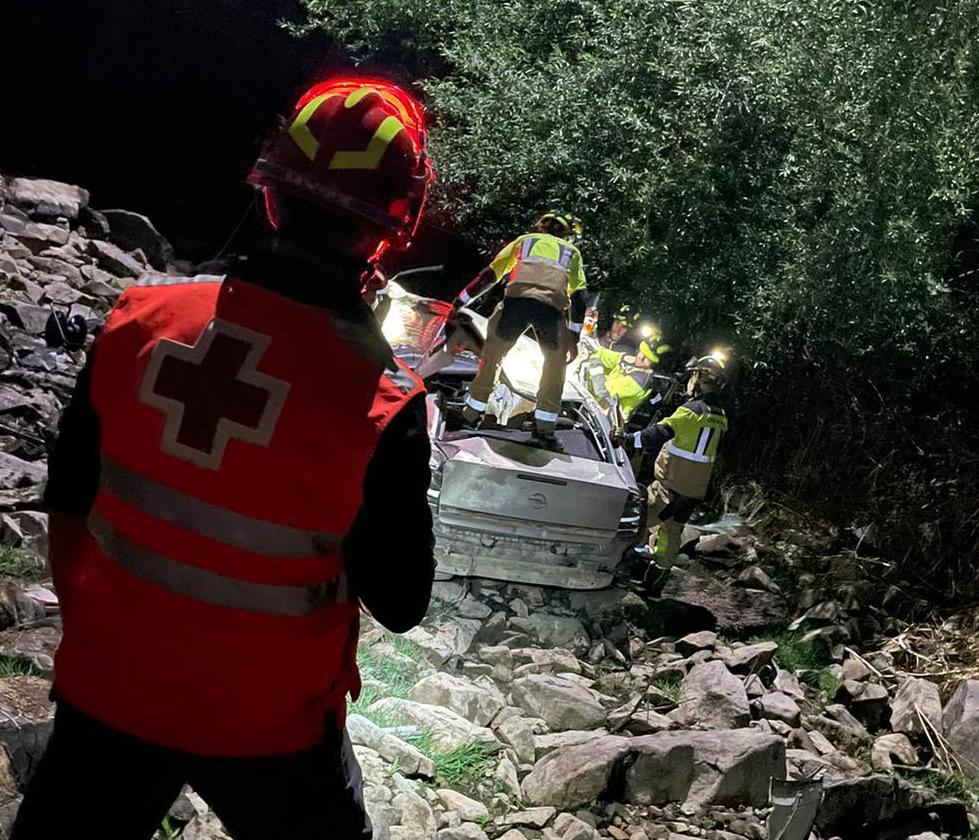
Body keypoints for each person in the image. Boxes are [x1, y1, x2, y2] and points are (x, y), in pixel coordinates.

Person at [14, 77, 437, 840]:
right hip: (270, 728)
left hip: (111, 690)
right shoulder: (380, 401)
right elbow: (401, 602)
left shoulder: (139, 319)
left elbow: (67, 496)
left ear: (271, 193)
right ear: (391, 230)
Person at [458, 212, 587, 447]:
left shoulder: (525, 241)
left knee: (492, 357)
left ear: (541, 226)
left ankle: (469, 416)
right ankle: (544, 431)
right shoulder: (571, 253)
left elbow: (490, 275)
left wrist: (460, 301)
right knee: (554, 368)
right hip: (550, 311)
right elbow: (578, 298)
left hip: (514, 305)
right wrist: (574, 337)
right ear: (566, 233)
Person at [624, 351, 730, 594]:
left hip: (671, 484)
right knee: (672, 532)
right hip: (694, 490)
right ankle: (656, 583)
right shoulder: (720, 416)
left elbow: (658, 434)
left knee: (639, 521)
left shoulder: (691, 410)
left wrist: (628, 439)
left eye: (693, 375)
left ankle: (623, 570)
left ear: (700, 377)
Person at [585, 324, 669, 422]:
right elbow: (602, 354)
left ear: (654, 365)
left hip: (607, 419)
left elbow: (602, 391)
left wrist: (595, 365)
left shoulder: (639, 381)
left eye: (647, 358)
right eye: (642, 352)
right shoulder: (631, 360)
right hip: (593, 404)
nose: (640, 357)